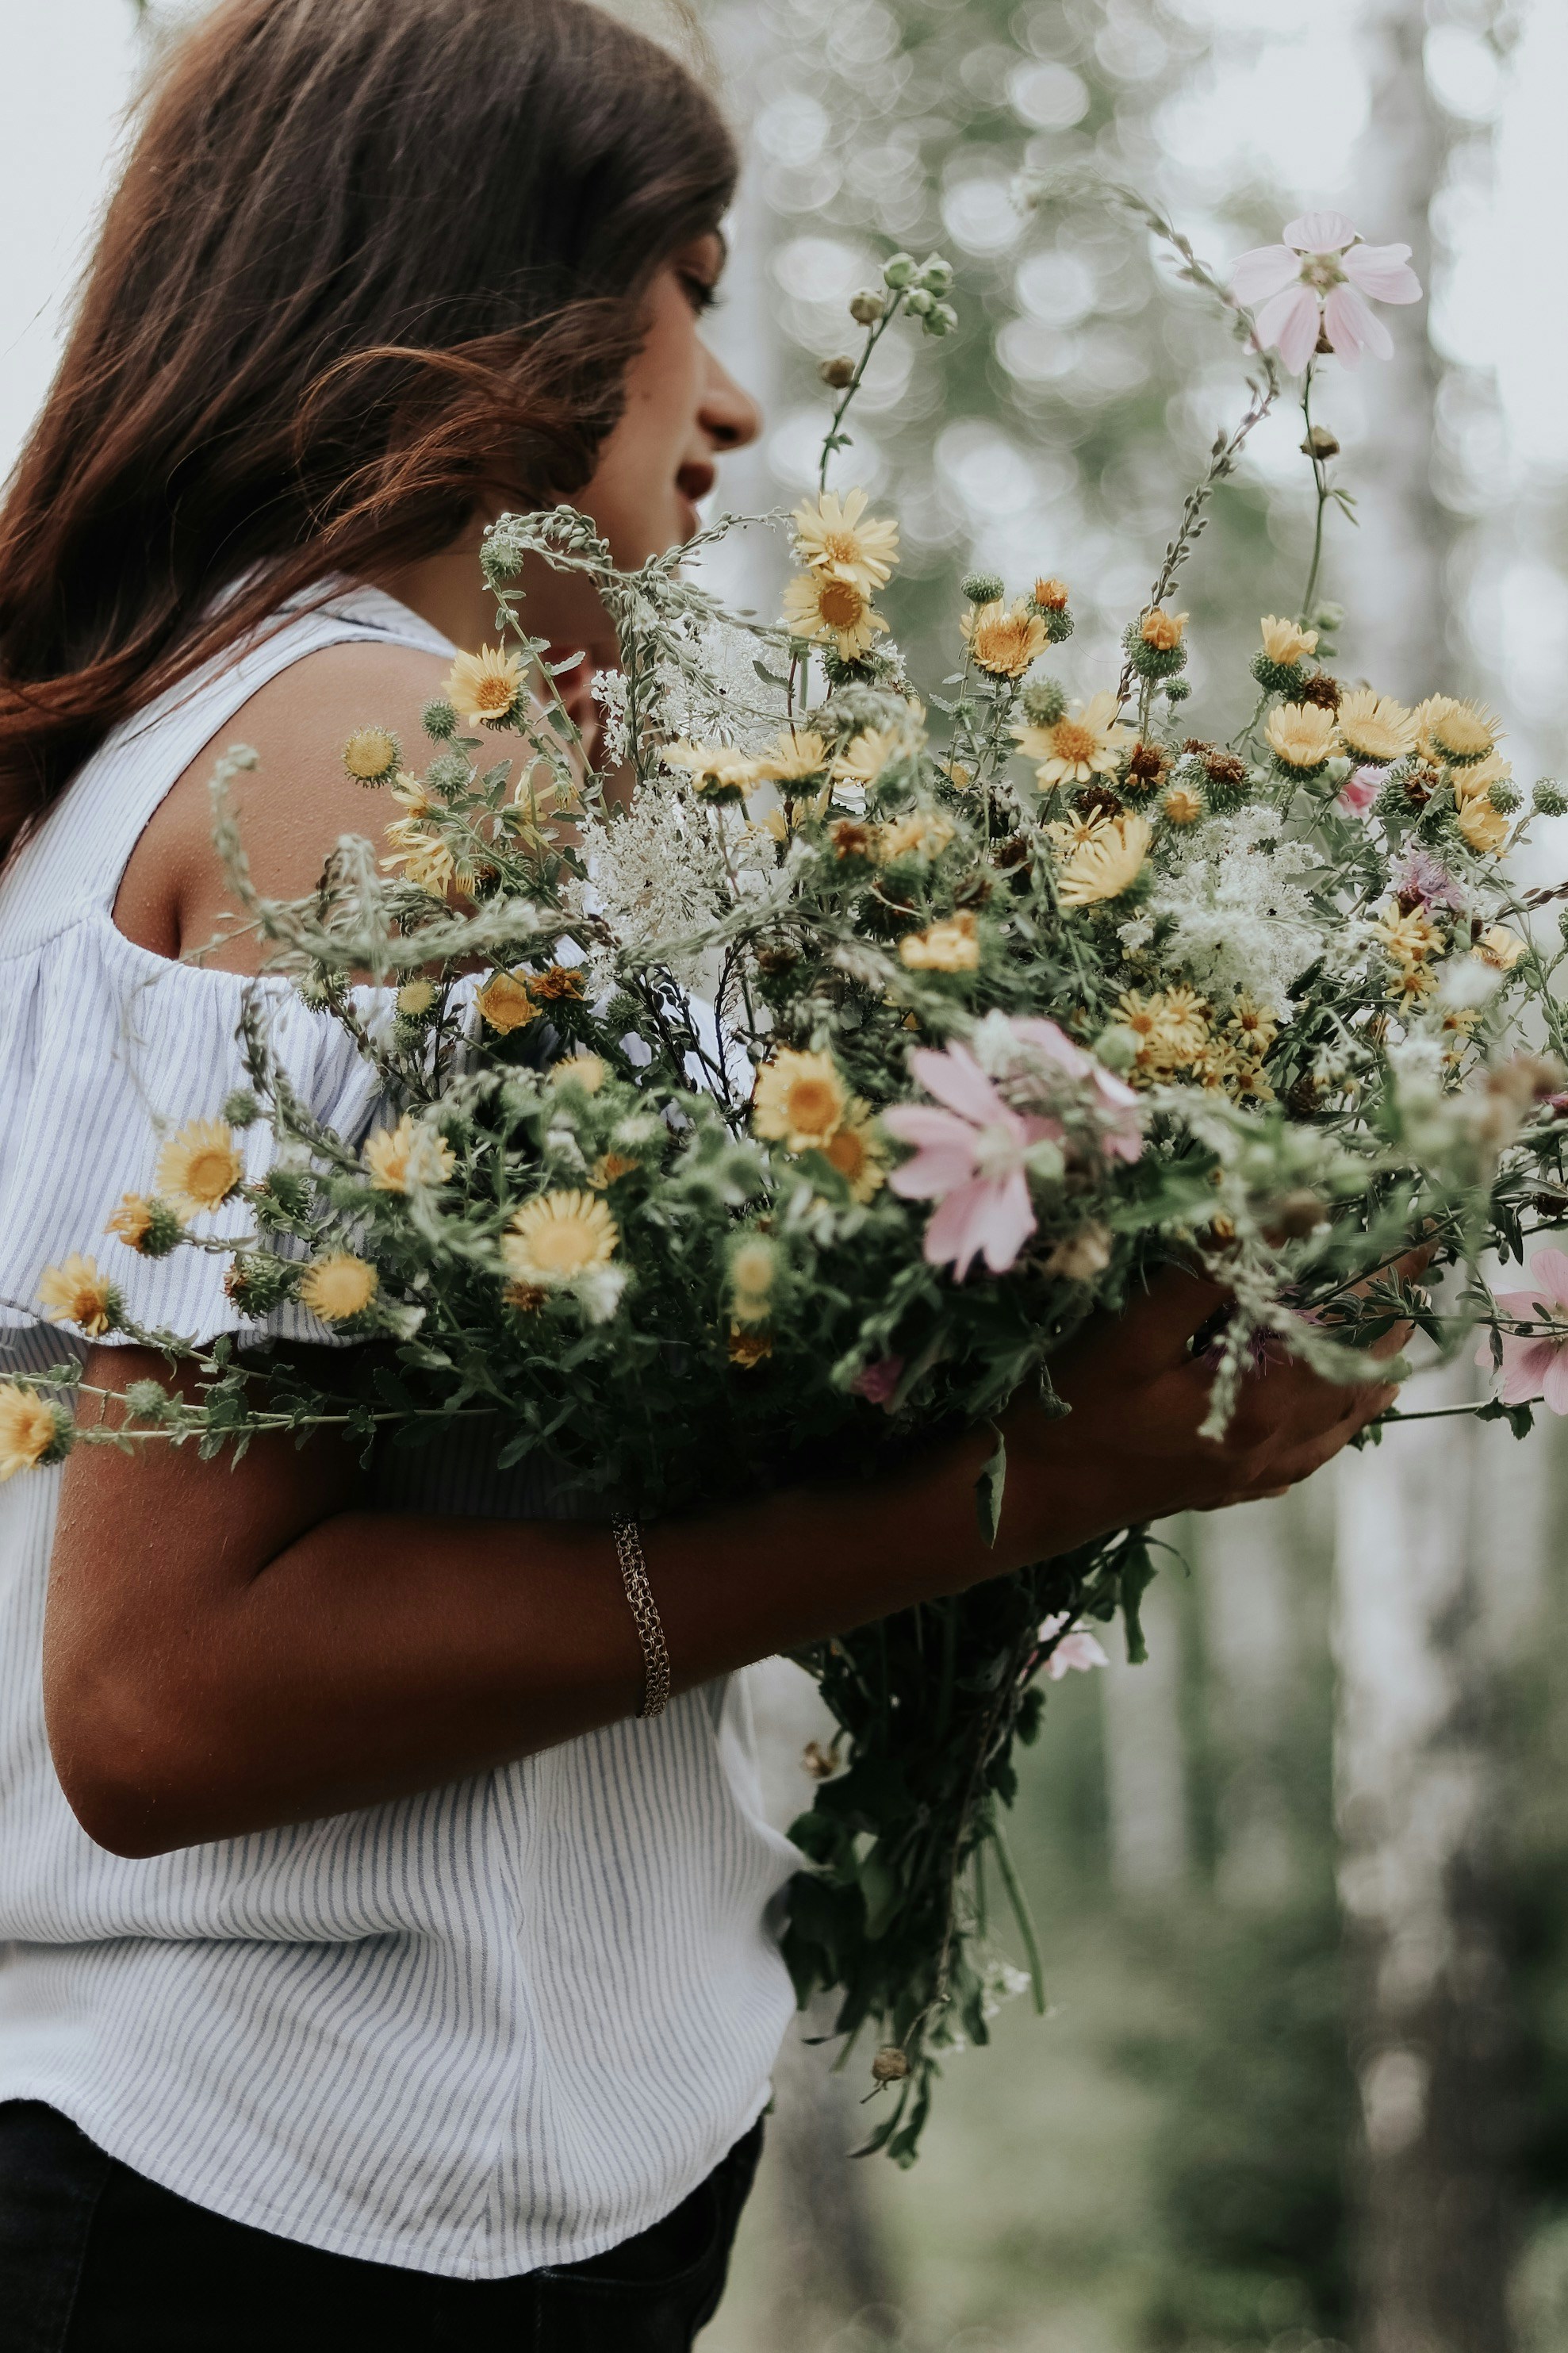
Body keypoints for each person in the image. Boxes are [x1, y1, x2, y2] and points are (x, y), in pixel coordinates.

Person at [0, 2, 1409, 2343]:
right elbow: (164, 1706)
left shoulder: (147, 757)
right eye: (701, 284)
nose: (736, 409)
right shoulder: (365, 754)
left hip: (410, 2174)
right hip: (284, 2201)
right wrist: (1045, 1475)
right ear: (502, 303)